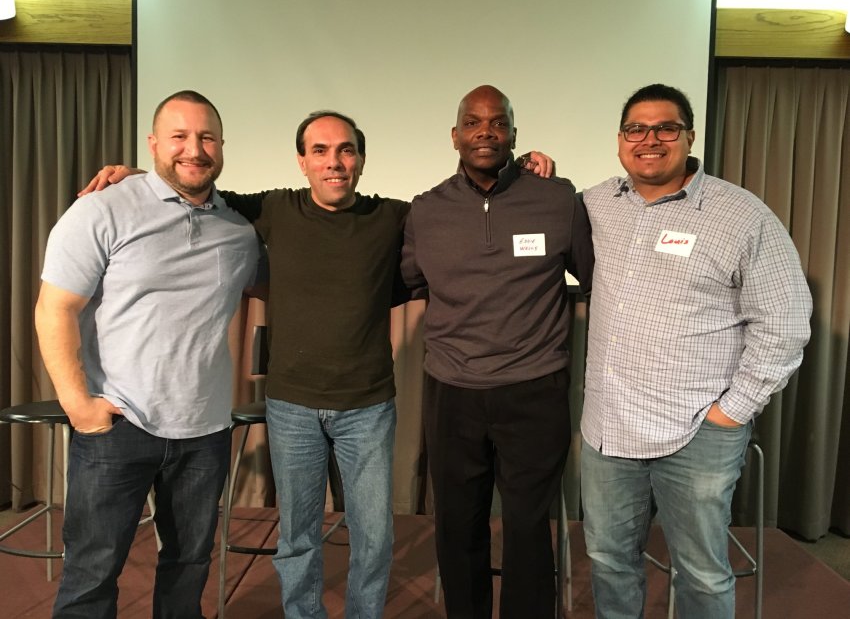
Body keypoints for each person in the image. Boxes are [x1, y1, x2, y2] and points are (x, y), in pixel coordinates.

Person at [81, 112, 554, 619]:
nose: (335, 162)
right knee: (298, 536)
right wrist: (136, 175)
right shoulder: (272, 208)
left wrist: (523, 170)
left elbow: (462, 206)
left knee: (374, 537)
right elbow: (195, 189)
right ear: (302, 161)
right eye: (322, 151)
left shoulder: (395, 216)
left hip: (368, 406)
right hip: (292, 408)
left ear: (362, 160)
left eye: (346, 150)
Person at [580, 83, 812, 618]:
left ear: (689, 137)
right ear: (620, 140)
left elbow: (785, 322)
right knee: (609, 559)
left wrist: (732, 412)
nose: (650, 140)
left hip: (697, 431)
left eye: (666, 128)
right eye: (636, 128)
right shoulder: (597, 204)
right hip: (609, 430)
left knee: (702, 572)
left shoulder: (740, 215)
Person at [34, 90, 260, 618]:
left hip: (204, 431)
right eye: (179, 136)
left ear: (222, 146)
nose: (194, 149)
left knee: (190, 568)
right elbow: (54, 310)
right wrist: (79, 407)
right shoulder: (101, 209)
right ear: (154, 142)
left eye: (206, 137)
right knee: (92, 573)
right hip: (116, 426)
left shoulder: (240, 232)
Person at [400, 85, 594, 619]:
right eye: (474, 122)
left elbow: (596, 278)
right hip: (452, 392)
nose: (486, 131)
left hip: (535, 391)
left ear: (514, 133)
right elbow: (414, 280)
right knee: (458, 525)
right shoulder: (427, 210)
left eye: (498, 122)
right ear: (455, 135)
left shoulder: (557, 198)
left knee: (529, 528)